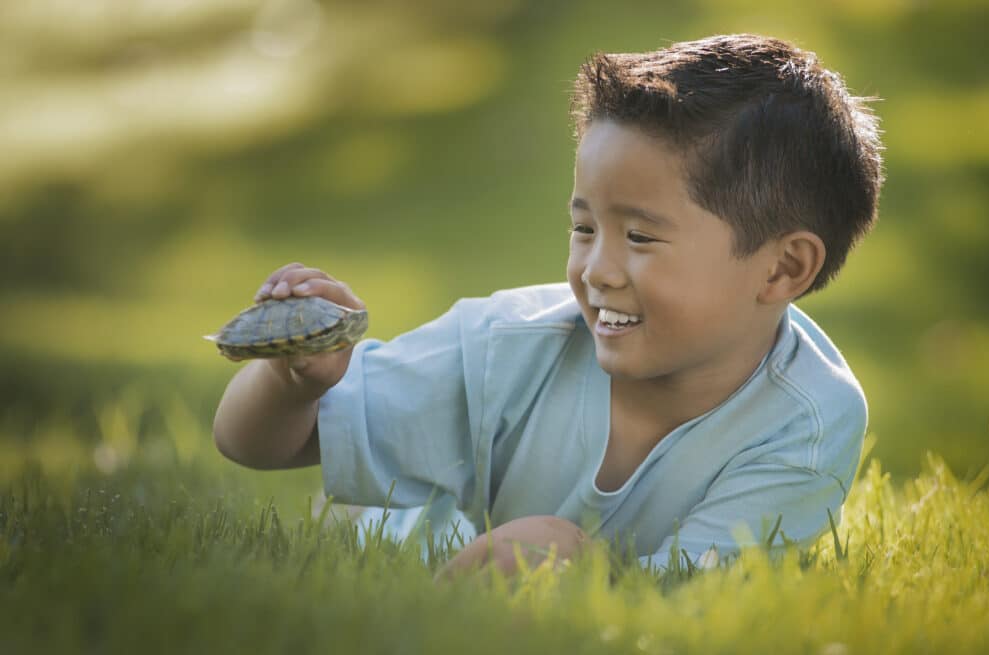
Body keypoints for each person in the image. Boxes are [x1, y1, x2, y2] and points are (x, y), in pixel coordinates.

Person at [213, 33, 884, 577]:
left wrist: (577, 566)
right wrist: (293, 380)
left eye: (640, 236)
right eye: (584, 227)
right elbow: (256, 442)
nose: (595, 270)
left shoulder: (805, 421)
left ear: (784, 266)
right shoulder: (506, 345)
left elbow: (705, 595)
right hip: (415, 553)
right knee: (372, 520)